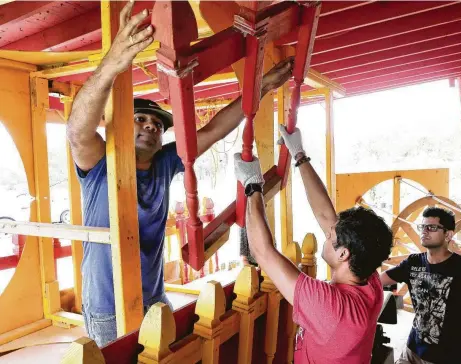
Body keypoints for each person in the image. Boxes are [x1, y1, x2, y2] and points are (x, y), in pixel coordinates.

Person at [66, 2, 293, 347]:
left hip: (153, 299)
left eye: (157, 125)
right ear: (123, 126)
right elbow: (77, 133)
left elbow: (213, 130)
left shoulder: (165, 161)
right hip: (108, 307)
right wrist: (111, 65)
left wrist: (259, 87)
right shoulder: (101, 163)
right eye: (140, 119)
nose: (150, 127)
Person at [233, 125, 393, 363]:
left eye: (330, 237)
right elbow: (328, 217)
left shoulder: (330, 307)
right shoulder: (369, 280)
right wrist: (299, 154)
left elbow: (263, 253)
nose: (326, 234)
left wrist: (253, 185)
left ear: (343, 255)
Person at [380, 207, 461, 364]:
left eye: (432, 227)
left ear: (448, 235)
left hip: (448, 357)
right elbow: (377, 281)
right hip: (412, 350)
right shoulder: (412, 263)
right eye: (422, 227)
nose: (424, 231)